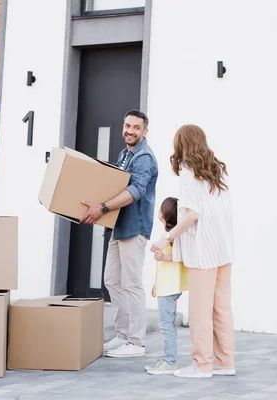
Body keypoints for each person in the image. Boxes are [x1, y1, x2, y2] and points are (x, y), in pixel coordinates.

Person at [151, 124, 235, 379]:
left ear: (182, 144)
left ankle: (202, 365)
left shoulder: (188, 172)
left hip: (202, 252)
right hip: (223, 249)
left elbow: (191, 215)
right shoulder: (218, 170)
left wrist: (167, 235)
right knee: (221, 308)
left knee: (199, 311)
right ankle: (225, 362)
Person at [81, 109, 158, 358]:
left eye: (136, 127)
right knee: (112, 280)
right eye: (127, 126)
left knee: (132, 284)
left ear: (145, 132)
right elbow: (113, 184)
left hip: (135, 228)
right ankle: (122, 335)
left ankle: (136, 342)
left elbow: (135, 190)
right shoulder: (125, 154)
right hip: (119, 226)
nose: (130, 130)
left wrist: (102, 207)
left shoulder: (144, 157)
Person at [145, 197, 189, 375]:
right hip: (167, 287)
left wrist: (163, 257)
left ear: (162, 215)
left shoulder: (171, 238)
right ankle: (167, 359)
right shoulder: (171, 237)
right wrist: (156, 285)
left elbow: (182, 256)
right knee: (167, 324)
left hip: (169, 288)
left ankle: (170, 361)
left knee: (166, 325)